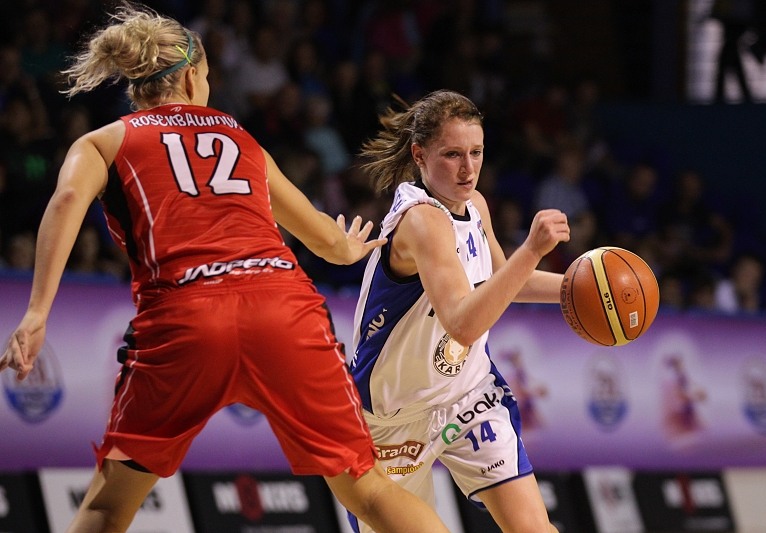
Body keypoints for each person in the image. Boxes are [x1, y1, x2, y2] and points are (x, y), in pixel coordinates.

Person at [0, 4, 450, 533]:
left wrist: (37, 312)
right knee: (368, 489)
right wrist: (349, 249)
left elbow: (65, 201)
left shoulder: (103, 142)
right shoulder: (239, 139)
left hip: (186, 316)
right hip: (284, 310)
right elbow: (326, 241)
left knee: (107, 506)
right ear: (192, 77)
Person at [349, 89, 569, 532]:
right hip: (392, 417)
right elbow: (463, 323)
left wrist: (578, 289)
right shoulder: (421, 221)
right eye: (452, 155)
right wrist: (532, 249)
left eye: (476, 152)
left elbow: (503, 281)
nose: (468, 168)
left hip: (466, 394)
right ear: (420, 155)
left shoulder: (475, 205)